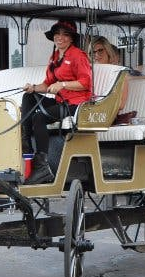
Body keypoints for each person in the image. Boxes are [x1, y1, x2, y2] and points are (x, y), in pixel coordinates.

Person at [21, 19, 92, 184]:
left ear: (72, 38)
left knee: (39, 117)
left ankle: (42, 166)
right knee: (28, 97)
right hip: (60, 101)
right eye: (57, 34)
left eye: (65, 34)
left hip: (75, 105)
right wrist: (33, 87)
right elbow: (47, 85)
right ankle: (27, 144)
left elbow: (86, 83)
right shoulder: (54, 57)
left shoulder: (78, 55)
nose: (60, 37)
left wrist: (63, 84)